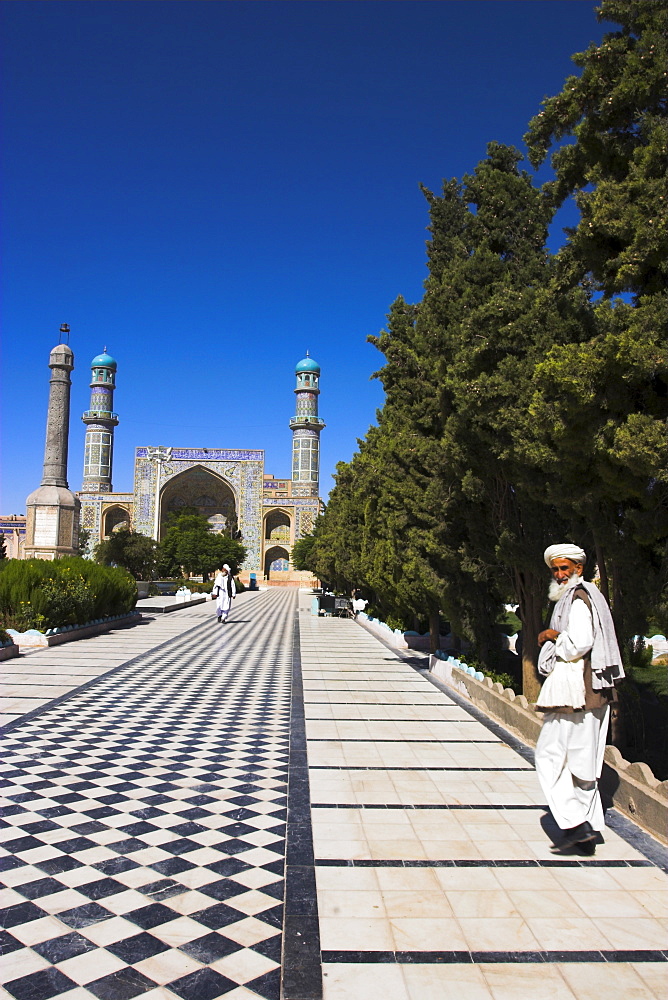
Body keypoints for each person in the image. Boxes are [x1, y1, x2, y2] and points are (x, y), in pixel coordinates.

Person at [534, 543, 624, 854]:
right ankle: (588, 831)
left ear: (578, 569)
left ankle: (574, 823)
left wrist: (551, 636)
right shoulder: (586, 596)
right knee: (583, 765)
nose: (559, 575)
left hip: (575, 690)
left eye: (564, 568)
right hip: (594, 693)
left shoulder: (578, 598)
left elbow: (579, 644)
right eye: (555, 569)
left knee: (548, 756)